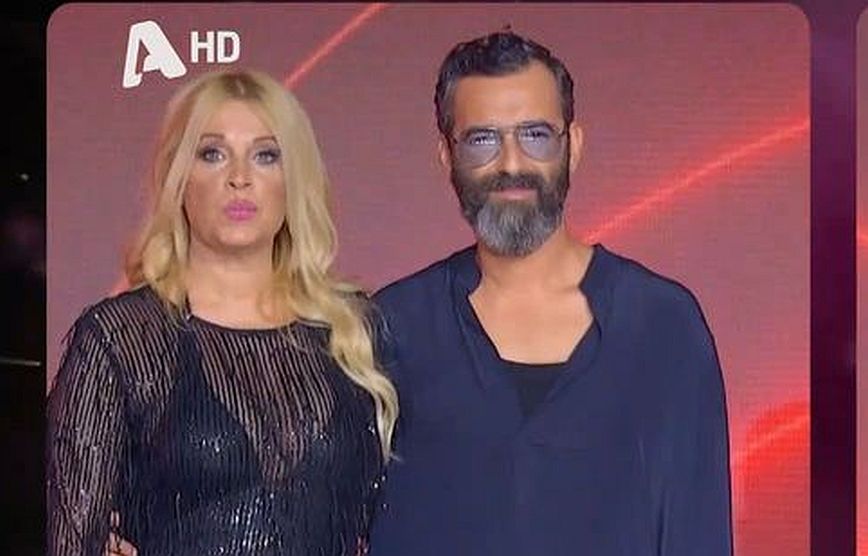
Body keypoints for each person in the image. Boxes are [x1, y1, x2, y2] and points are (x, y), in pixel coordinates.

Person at [367, 31, 733, 555]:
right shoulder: (393, 326)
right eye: (482, 139)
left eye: (536, 135)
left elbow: (699, 532)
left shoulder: (662, 324)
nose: (511, 164)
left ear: (573, 146)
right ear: (446, 155)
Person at [46, 68, 398, 556]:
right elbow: (70, 537)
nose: (239, 178)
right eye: (212, 154)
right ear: (179, 177)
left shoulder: (355, 331)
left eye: (266, 155)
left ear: (294, 178)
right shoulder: (121, 338)